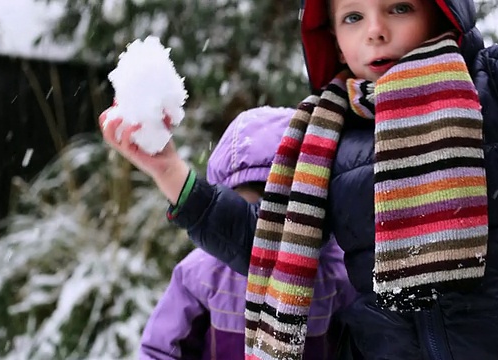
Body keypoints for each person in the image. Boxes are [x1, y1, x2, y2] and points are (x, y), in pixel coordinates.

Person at [100, 0, 498, 358]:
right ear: (334, 39)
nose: (375, 29)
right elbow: (269, 248)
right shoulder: (329, 138)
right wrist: (170, 171)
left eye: (397, 8)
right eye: (352, 16)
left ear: (439, 11)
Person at [137, 106, 356, 360]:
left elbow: (365, 341)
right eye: (248, 215)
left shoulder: (338, 272)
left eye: (280, 210)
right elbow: (161, 349)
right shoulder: (201, 274)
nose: (263, 229)